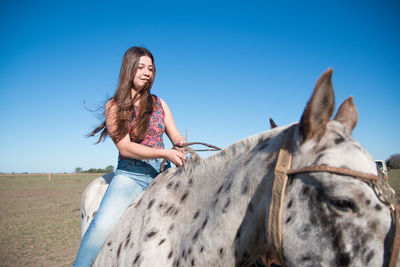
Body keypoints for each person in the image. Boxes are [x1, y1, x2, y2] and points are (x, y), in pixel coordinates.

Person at [73, 46, 187, 266]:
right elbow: (125, 148)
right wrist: (166, 152)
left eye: (151, 68)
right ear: (129, 69)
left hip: (162, 175)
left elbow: (176, 136)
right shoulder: (114, 106)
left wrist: (182, 147)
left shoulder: (160, 104)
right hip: (130, 176)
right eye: (141, 67)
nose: (147, 72)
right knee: (101, 227)